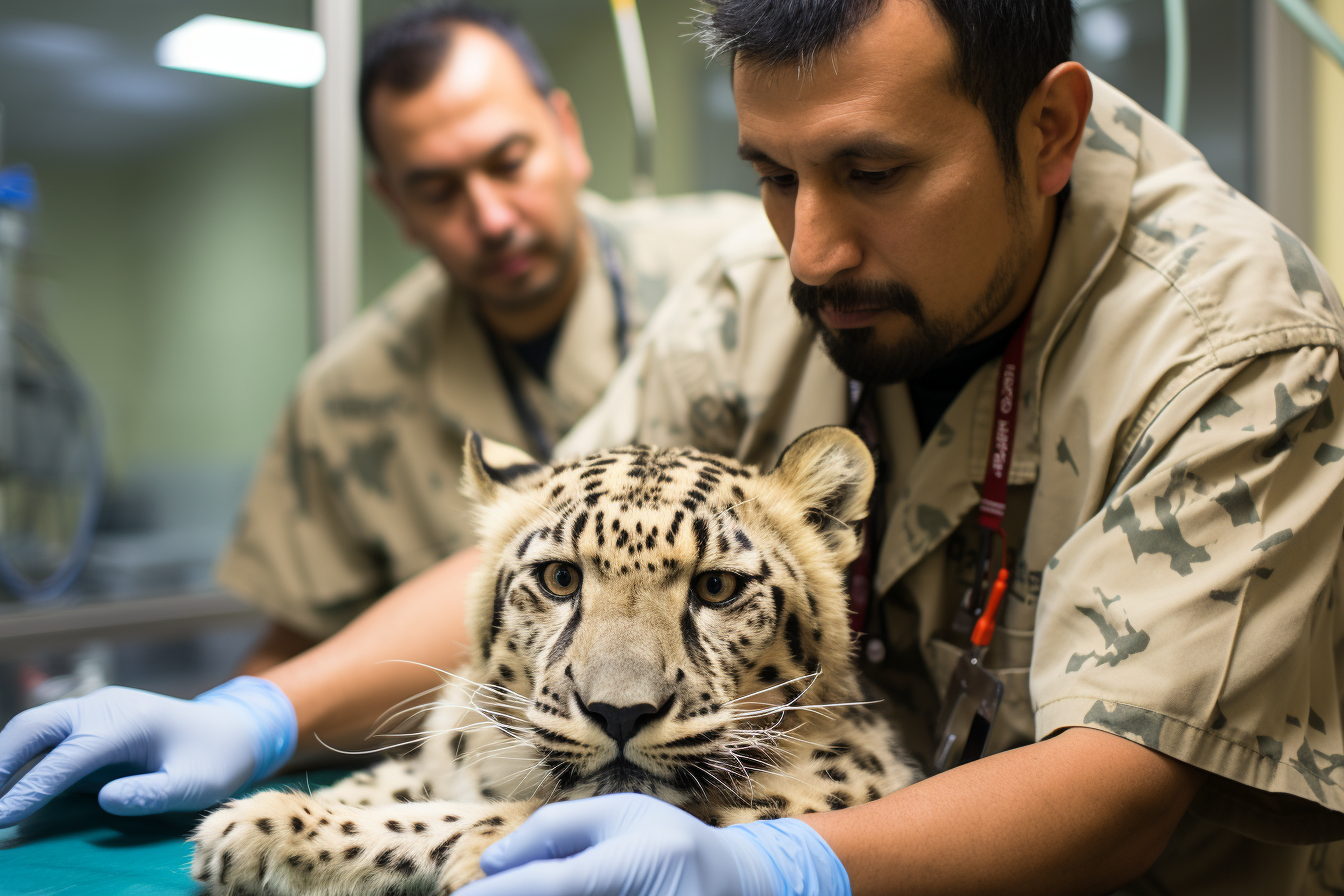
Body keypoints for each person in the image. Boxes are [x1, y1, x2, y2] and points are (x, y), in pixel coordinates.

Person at [5, 1, 1344, 894]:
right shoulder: (765, 285)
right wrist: (263, 712)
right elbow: (537, 538)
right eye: (773, 173)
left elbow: (1123, 786)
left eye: (873, 173)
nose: (809, 248)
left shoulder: (1242, 351)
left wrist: (774, 871)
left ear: (1047, 130)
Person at [0, 3, 757, 824]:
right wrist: (238, 719)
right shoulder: (345, 396)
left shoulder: (738, 284)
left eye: (509, 161)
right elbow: (297, 646)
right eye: (438, 188)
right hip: (477, 797)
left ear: (566, 133)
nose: (492, 217)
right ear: (392, 202)